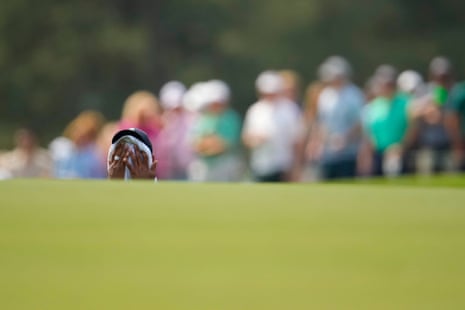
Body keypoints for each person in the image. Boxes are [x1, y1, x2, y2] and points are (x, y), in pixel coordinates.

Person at [309, 56, 365, 180]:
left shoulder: (354, 95)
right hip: (327, 152)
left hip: (349, 153)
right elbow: (321, 121)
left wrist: (345, 139)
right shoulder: (325, 94)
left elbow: (359, 123)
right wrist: (317, 142)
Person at [242, 70, 301, 182]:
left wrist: (296, 167)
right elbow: (246, 138)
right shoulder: (255, 110)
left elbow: (296, 141)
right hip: (260, 166)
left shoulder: (290, 109)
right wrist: (255, 140)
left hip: (283, 166)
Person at [360, 65, 412, 177]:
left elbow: (413, 126)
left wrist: (402, 146)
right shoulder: (373, 106)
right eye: (383, 84)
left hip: (401, 153)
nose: (387, 87)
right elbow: (369, 134)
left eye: (389, 84)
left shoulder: (406, 102)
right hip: (378, 154)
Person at [189, 79, 243, 182]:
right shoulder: (202, 118)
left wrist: (208, 144)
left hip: (226, 164)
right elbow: (195, 143)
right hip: (203, 165)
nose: (216, 105)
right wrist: (208, 144)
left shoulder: (231, 118)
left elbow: (225, 144)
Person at [155, 81, 194, 180]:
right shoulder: (161, 121)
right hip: (166, 169)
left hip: (189, 167)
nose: (175, 110)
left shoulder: (192, 119)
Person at [51, 110, 106, 178]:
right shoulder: (59, 145)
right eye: (77, 131)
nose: (78, 136)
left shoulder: (95, 157)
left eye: (84, 135)